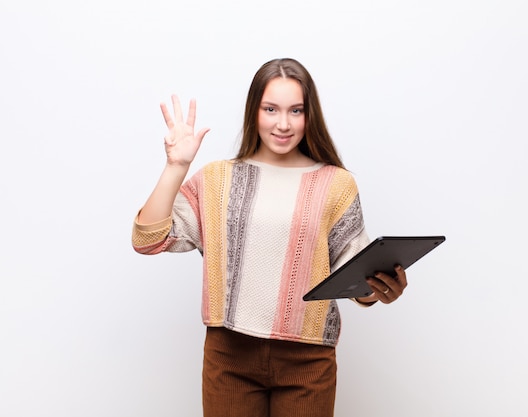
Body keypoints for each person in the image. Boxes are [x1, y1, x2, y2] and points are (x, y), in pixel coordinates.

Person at [132, 57, 408, 417]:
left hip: (307, 361)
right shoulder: (217, 179)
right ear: (254, 111)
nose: (283, 123)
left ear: (310, 116)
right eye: (271, 109)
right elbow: (147, 239)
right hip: (229, 356)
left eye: (296, 110)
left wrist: (380, 289)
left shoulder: (336, 184)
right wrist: (176, 167)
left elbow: (352, 271)